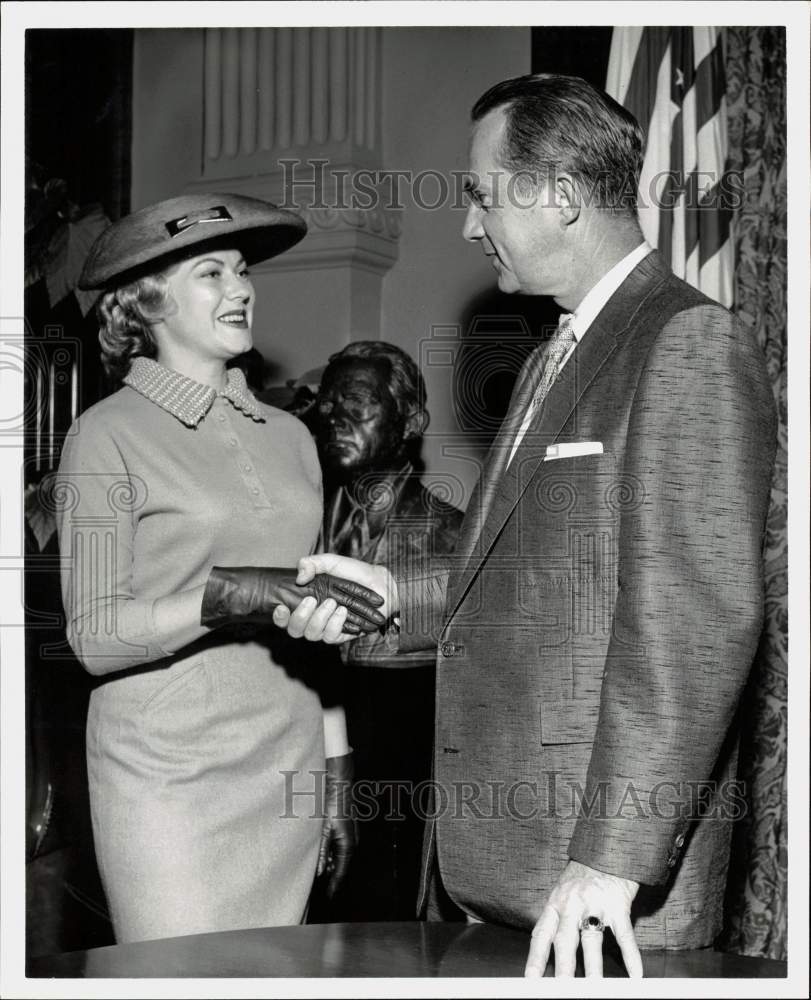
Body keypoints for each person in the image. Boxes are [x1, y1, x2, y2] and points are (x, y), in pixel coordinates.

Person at [274, 74, 777, 977]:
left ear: (559, 194)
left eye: (480, 193)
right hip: (499, 873)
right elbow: (533, 583)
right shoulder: (558, 348)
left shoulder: (685, 342)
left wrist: (611, 861)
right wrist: (391, 596)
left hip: (591, 890)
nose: (468, 224)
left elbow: (694, 624)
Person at [53, 192, 385, 944]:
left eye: (241, 271)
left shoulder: (292, 436)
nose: (241, 289)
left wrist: (335, 768)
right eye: (211, 273)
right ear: (147, 303)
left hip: (286, 762)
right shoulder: (104, 437)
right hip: (167, 779)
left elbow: (315, 628)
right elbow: (96, 636)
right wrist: (230, 592)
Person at [315, 341, 463, 919]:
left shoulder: (453, 539)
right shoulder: (293, 524)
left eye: (356, 402)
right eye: (327, 405)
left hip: (403, 764)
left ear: (411, 421)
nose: (334, 416)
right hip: (308, 749)